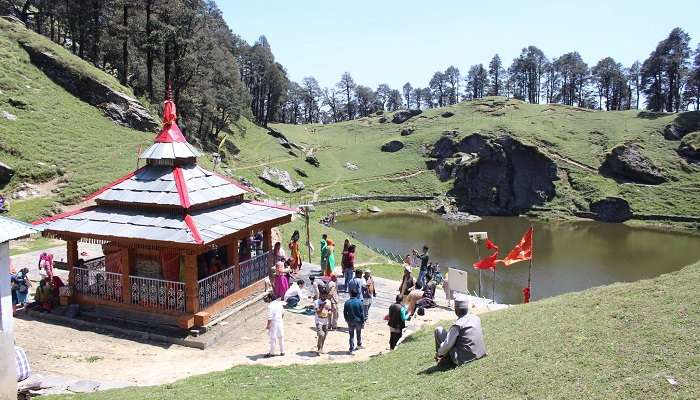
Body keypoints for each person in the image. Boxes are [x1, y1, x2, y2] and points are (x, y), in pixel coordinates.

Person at [434, 296, 487, 366]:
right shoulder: (476, 318)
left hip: (462, 359)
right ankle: (443, 358)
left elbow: (447, 345)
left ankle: (442, 358)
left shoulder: (457, 325)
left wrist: (439, 353)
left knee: (439, 330)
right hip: (480, 353)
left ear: (456, 310)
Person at [343, 288, 365, 354]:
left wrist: (346, 319)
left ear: (350, 294)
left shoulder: (347, 302)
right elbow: (362, 313)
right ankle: (359, 344)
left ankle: (351, 349)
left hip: (350, 321)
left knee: (351, 335)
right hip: (358, 321)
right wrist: (363, 321)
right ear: (357, 294)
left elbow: (345, 312)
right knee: (358, 333)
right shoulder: (360, 302)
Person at [313, 288, 331, 354]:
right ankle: (319, 347)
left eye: (326, 296)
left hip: (325, 321)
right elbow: (317, 312)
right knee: (321, 334)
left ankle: (321, 348)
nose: (325, 297)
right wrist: (323, 305)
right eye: (324, 296)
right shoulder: (316, 302)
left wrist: (329, 312)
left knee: (325, 334)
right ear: (321, 295)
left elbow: (329, 309)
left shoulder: (328, 301)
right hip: (319, 321)